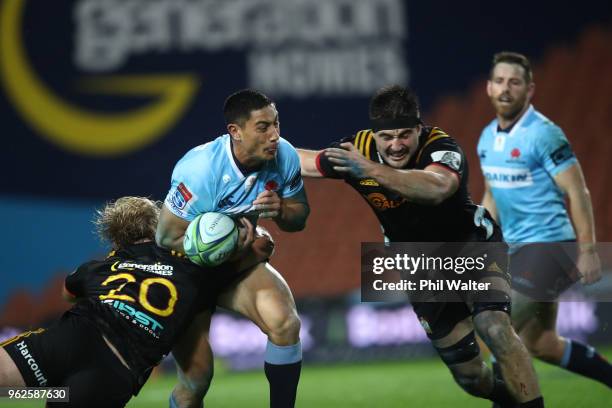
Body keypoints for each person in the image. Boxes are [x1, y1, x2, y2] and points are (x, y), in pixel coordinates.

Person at [298, 85, 544, 407]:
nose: (396, 145)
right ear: (374, 136)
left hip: (469, 246)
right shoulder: (357, 148)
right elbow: (307, 163)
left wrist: (369, 168)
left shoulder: (441, 147)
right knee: (469, 376)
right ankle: (509, 400)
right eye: (386, 137)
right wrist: (259, 151)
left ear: (419, 129)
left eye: (404, 135)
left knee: (493, 327)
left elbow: (436, 188)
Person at [156, 89, 310, 408]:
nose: (275, 135)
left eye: (276, 124)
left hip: (234, 269)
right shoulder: (200, 171)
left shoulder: (285, 155)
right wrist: (233, 244)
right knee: (197, 382)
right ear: (235, 132)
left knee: (285, 323)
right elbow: (167, 238)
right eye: (263, 127)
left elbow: (299, 218)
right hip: (186, 273)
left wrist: (281, 209)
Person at [0, 196, 229, 407]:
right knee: (61, 394)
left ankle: (49, 391)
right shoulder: (191, 272)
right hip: (112, 372)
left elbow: (67, 293)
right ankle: (54, 392)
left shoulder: (96, 268)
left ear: (113, 236)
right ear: (157, 226)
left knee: (12, 389)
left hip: (70, 339)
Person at [478, 51, 611, 393]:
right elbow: (492, 197)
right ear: (488, 88)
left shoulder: (544, 134)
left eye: (515, 82)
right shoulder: (486, 139)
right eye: (500, 81)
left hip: (552, 247)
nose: (506, 89)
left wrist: (588, 250)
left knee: (497, 329)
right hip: (519, 250)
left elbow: (577, 191)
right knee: (542, 344)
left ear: (529, 90)